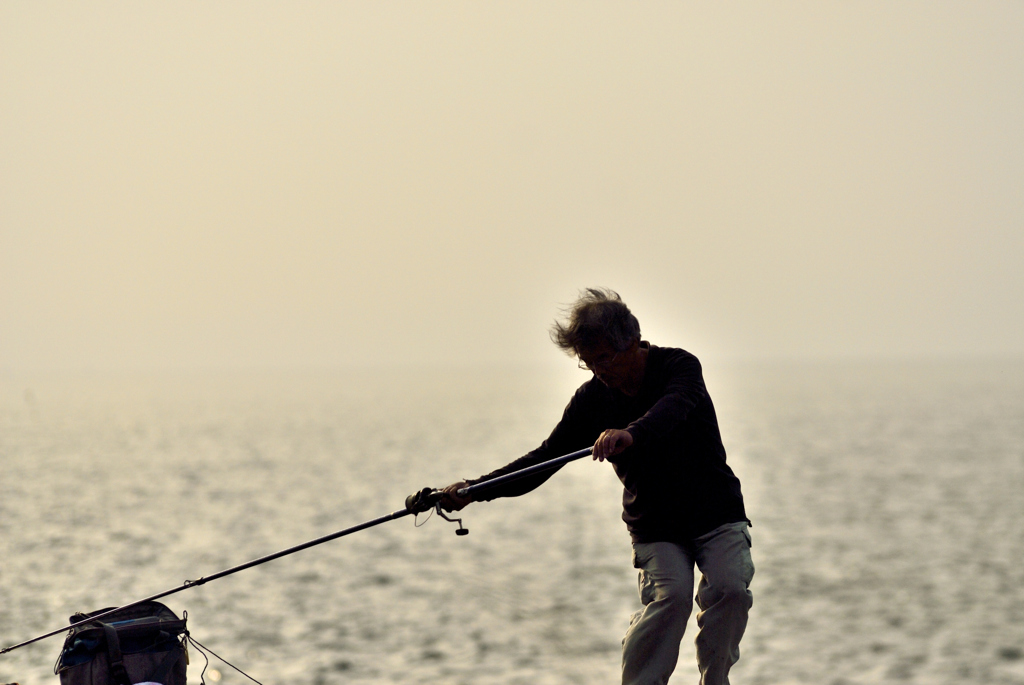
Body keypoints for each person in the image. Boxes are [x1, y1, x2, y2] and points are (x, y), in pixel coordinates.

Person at [440, 288, 753, 685]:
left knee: (730, 590)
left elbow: (673, 407)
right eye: (587, 363)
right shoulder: (592, 400)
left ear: (633, 343)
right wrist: (474, 489)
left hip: (716, 513)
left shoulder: (679, 366)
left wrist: (630, 434)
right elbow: (543, 459)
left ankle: (716, 680)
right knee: (671, 599)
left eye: (603, 358)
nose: (598, 371)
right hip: (656, 526)